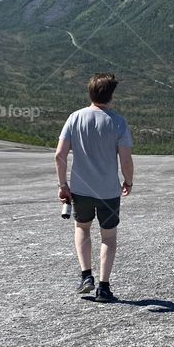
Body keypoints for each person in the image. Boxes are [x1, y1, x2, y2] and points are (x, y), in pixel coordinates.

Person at [55, 73, 134, 302]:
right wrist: (128, 181)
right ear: (111, 95)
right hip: (109, 191)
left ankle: (86, 276)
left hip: (81, 189)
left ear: (90, 93)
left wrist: (63, 185)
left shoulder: (75, 118)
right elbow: (125, 160)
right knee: (108, 237)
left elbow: (59, 156)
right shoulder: (118, 122)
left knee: (82, 228)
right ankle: (104, 288)